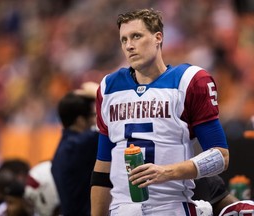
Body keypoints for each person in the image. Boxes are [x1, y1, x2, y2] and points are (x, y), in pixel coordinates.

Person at [90, 8, 229, 216]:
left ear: (158, 38)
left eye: (136, 36)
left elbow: (220, 157)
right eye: (124, 39)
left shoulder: (188, 80)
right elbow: (102, 167)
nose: (129, 46)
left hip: (170, 207)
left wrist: (166, 172)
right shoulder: (109, 87)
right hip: (121, 209)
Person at [51, 82, 99, 216]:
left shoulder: (67, 145)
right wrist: (99, 94)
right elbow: (116, 124)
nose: (95, 120)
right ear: (80, 120)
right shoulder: (81, 144)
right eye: (92, 115)